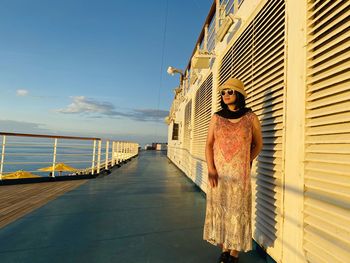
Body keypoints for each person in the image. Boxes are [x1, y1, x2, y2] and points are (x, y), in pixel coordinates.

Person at [203, 77, 263, 263]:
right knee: (221, 210)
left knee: (237, 211)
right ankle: (225, 249)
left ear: (239, 93)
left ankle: (234, 254)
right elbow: (208, 145)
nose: (226, 95)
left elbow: (258, 144)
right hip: (219, 175)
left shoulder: (250, 117)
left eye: (230, 91)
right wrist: (211, 169)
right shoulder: (217, 117)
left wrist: (247, 160)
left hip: (240, 175)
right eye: (223, 92)